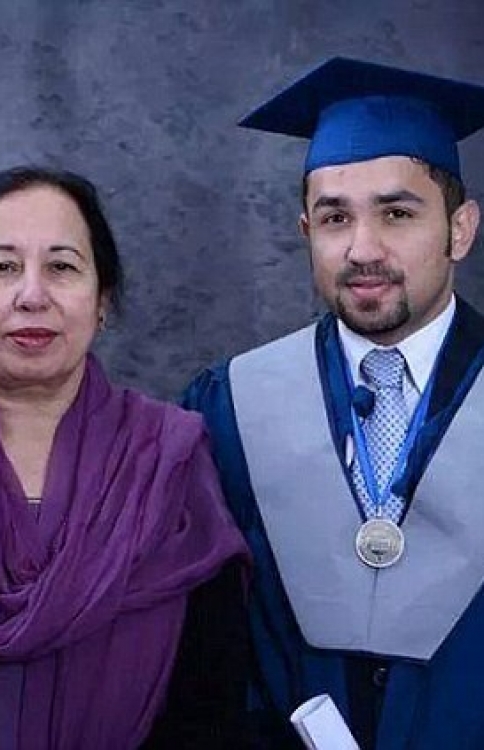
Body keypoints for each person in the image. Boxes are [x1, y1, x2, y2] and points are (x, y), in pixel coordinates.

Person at [181, 57, 484, 749]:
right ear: (304, 231)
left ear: (460, 229)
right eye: (334, 217)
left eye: (397, 213)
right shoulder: (231, 407)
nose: (361, 248)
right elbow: (205, 648)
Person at [0, 164, 251, 750]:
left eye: (62, 267)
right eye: (2, 268)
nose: (33, 295)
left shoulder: (165, 459)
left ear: (102, 300)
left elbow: (211, 696)